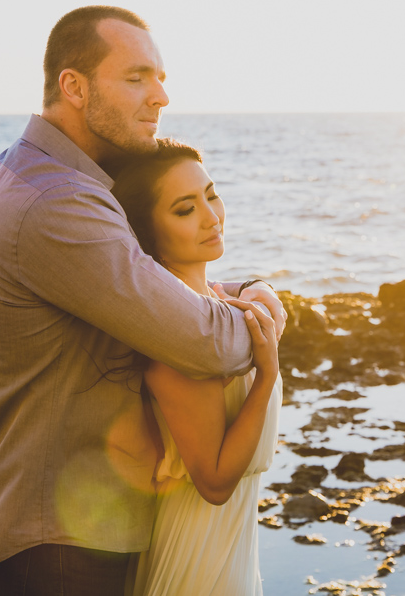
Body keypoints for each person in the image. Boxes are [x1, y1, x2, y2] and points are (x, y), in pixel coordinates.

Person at [0, 5, 287, 595]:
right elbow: (204, 341)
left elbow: (147, 285)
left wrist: (244, 290)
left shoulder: (39, 174)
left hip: (65, 523)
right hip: (54, 539)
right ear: (73, 87)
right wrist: (268, 319)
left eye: (159, 78)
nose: (159, 97)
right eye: (136, 78)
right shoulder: (55, 201)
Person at [110, 142, 281, 595]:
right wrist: (265, 379)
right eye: (186, 209)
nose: (211, 216)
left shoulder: (217, 310)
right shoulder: (181, 336)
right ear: (148, 231)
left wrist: (257, 287)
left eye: (211, 194)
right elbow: (214, 480)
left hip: (232, 542)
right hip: (197, 552)